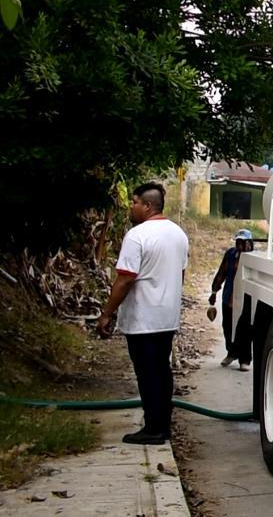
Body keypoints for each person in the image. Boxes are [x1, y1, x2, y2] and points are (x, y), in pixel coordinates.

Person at [96, 182, 189, 445]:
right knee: (161, 370)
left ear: (147, 206)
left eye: (134, 202)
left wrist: (107, 313)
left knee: (147, 374)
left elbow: (125, 279)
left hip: (143, 318)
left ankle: (153, 429)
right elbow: (179, 274)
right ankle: (162, 425)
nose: (131, 207)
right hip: (166, 317)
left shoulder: (137, 236)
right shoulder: (178, 234)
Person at [209, 229, 254, 370]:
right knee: (227, 326)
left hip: (245, 300)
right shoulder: (231, 254)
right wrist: (214, 291)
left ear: (249, 243)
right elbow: (222, 272)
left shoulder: (254, 258)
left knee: (245, 330)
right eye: (238, 241)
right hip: (229, 298)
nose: (239, 244)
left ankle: (244, 359)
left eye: (243, 242)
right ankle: (231, 352)